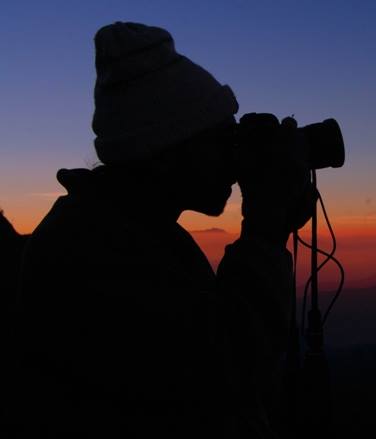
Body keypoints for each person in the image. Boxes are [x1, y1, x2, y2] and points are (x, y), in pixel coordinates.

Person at [12, 22, 314, 438]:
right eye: (221, 138)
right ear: (165, 150)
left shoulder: (131, 231)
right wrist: (265, 228)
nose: (235, 156)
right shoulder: (89, 251)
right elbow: (223, 372)